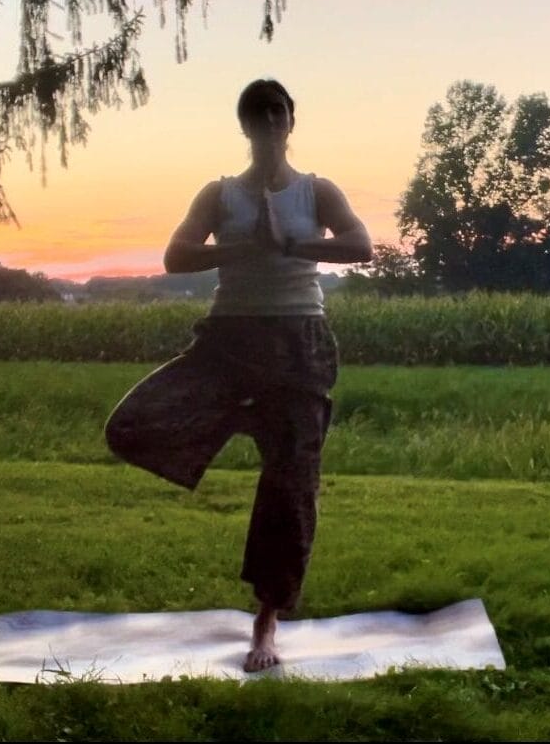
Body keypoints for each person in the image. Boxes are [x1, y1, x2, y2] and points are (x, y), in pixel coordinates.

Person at [104, 78, 374, 672]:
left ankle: (266, 624)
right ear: (245, 125)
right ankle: (237, 426)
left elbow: (362, 245)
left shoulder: (316, 191)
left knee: (291, 488)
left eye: (278, 111)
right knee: (130, 426)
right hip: (228, 344)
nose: (269, 121)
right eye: (258, 113)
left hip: (299, 343)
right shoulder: (219, 194)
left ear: (290, 121)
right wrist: (242, 250)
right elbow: (176, 256)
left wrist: (290, 244)